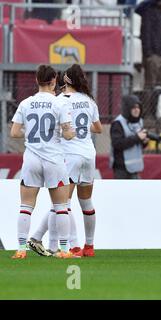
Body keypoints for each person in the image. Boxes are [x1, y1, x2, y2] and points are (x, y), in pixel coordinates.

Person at [27, 64, 102, 258]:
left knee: (62, 204)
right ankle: (89, 246)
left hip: (70, 154)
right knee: (86, 203)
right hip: (88, 154)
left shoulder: (59, 100)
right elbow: (98, 128)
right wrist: (82, 126)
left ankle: (67, 245)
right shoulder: (89, 101)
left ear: (66, 80)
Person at [10, 65, 76, 259]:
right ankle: (64, 250)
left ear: (36, 81)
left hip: (32, 159)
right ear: (54, 80)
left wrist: (30, 134)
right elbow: (68, 134)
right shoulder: (60, 104)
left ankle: (21, 249)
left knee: (26, 206)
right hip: (54, 159)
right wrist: (70, 132)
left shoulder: (25, 103)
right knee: (61, 207)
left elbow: (14, 133)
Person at [110, 95, 149, 179]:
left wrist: (144, 142)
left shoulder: (139, 121)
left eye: (138, 107)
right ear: (127, 109)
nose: (136, 110)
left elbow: (139, 144)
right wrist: (137, 138)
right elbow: (117, 144)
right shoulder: (118, 123)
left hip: (135, 168)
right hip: (121, 168)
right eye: (133, 107)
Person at [138, 0, 161, 90]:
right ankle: (148, 104)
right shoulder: (149, 13)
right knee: (150, 85)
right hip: (154, 56)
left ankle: (160, 104)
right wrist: (149, 54)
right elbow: (145, 34)